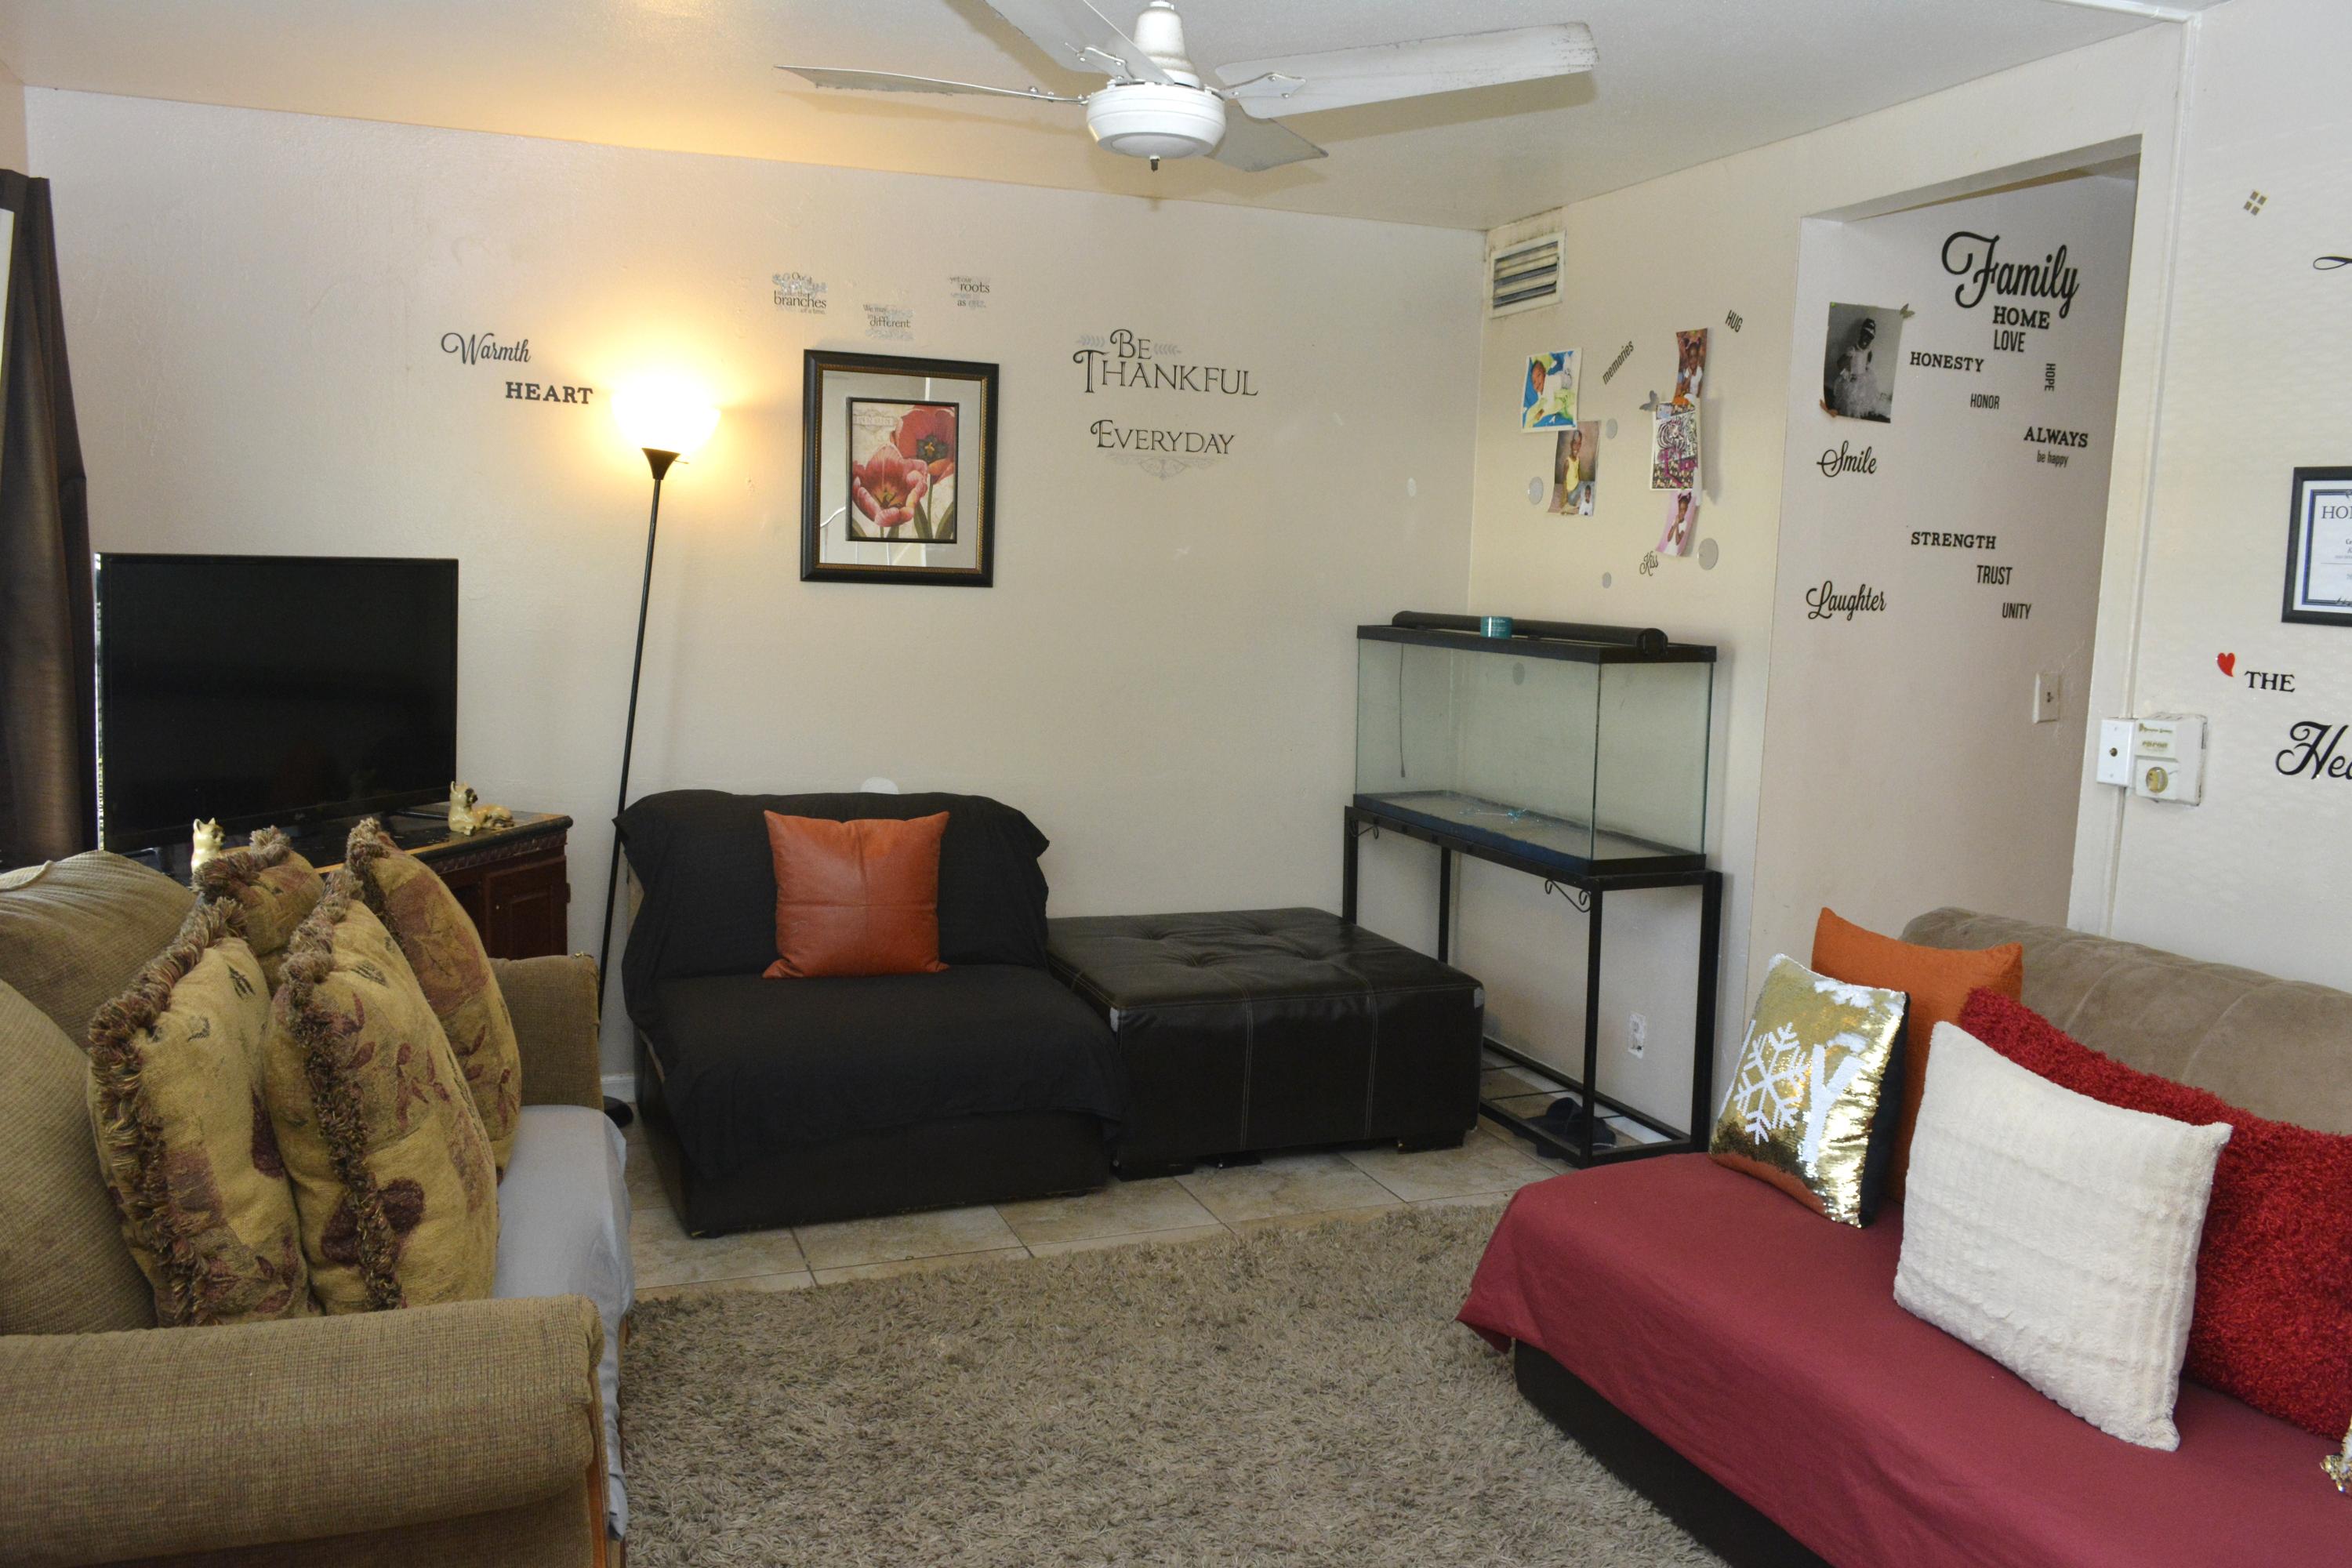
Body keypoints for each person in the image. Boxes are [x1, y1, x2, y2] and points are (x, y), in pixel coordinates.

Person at [1827, 314, 1889, 420]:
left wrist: (1866, 365)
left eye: (1870, 338)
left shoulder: (1868, 349)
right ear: (1861, 333)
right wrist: (1848, 376)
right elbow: (1840, 363)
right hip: (1854, 378)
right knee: (1852, 399)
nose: (1867, 340)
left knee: (1864, 397)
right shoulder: (1853, 350)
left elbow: (1869, 356)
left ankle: (1860, 413)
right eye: (1865, 335)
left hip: (1864, 377)